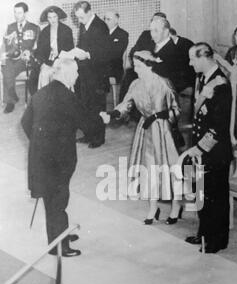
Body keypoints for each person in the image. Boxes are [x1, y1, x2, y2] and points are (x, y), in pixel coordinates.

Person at [21, 58, 102, 257]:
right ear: (65, 73)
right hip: (59, 158)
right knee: (58, 198)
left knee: (52, 196)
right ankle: (59, 246)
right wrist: (103, 120)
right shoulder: (67, 96)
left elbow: (25, 122)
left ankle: (58, 234)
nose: (76, 76)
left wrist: (41, 141)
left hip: (40, 156)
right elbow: (88, 125)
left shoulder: (40, 94)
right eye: (75, 72)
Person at [101, 51, 182, 225]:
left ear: (149, 65)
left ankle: (176, 206)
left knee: (169, 168)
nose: (135, 69)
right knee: (148, 167)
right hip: (145, 130)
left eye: (138, 66)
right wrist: (112, 113)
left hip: (164, 132)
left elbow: (176, 110)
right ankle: (153, 207)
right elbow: (126, 104)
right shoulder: (135, 84)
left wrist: (161, 116)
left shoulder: (163, 83)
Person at [185, 43, 233, 254]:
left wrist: (200, 149)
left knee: (216, 197)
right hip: (200, 148)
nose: (190, 63)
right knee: (201, 193)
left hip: (214, 152)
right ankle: (204, 234)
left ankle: (216, 241)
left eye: (193, 59)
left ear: (204, 58)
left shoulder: (220, 84)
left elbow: (218, 125)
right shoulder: (203, 78)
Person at [74, 1, 111, 149]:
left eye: (81, 17)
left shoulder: (100, 26)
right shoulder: (84, 24)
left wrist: (87, 54)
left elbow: (104, 53)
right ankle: (89, 134)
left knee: (97, 106)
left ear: (90, 11)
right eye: (78, 18)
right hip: (85, 72)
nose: (79, 21)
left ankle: (99, 137)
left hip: (98, 74)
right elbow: (82, 45)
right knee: (86, 104)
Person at [2, 2, 39, 113]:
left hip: (25, 60)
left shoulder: (34, 28)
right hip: (12, 58)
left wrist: (30, 52)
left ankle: (10, 99)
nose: (17, 15)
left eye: (19, 13)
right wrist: (5, 49)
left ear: (25, 13)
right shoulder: (10, 27)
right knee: (5, 65)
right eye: (15, 12)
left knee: (7, 70)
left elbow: (38, 47)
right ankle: (11, 97)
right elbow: (6, 46)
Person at [30, 6, 74, 92]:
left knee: (61, 74)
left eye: (54, 17)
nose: (52, 20)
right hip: (48, 61)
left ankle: (64, 100)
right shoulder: (44, 32)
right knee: (44, 73)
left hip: (63, 61)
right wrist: (42, 63)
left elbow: (70, 50)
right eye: (49, 17)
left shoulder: (66, 30)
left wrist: (59, 59)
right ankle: (46, 101)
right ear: (47, 19)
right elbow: (40, 51)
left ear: (58, 17)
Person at [104, 9, 129, 83]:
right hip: (102, 69)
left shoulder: (123, 34)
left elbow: (116, 55)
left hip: (114, 71)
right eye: (104, 19)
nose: (105, 21)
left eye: (108, 19)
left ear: (116, 20)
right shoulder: (102, 33)